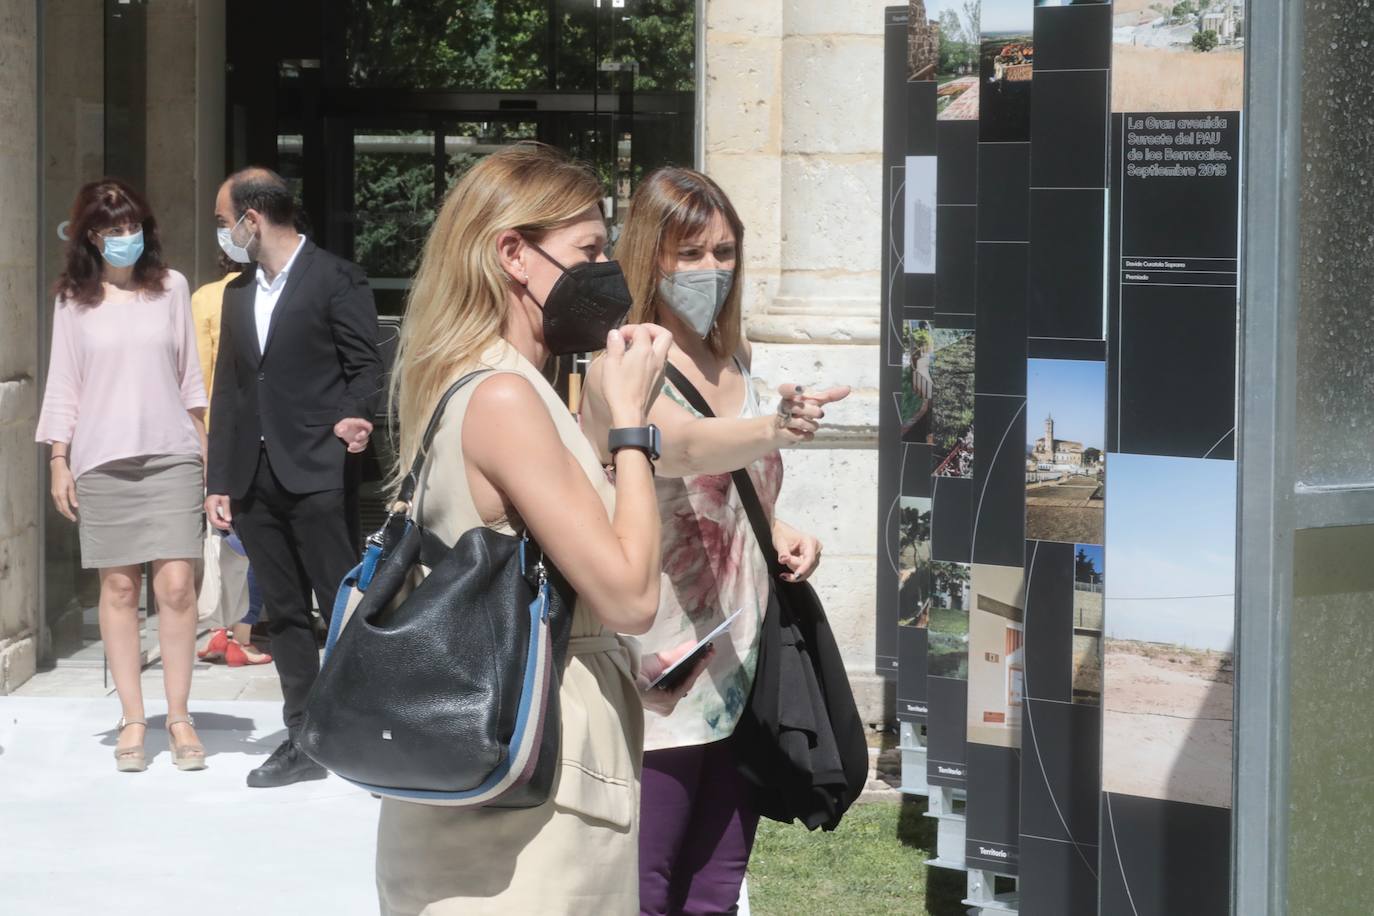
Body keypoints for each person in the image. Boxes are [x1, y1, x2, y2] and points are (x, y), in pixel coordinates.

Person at [374, 142, 706, 916]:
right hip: (531, 804)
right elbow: (629, 597)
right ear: (513, 255)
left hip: (495, 777)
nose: (602, 273)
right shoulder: (503, 397)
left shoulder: (480, 378)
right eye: (587, 250)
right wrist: (631, 423)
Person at [581, 167, 850, 915]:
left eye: (724, 252)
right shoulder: (618, 368)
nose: (711, 271)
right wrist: (774, 425)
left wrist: (785, 533)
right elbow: (685, 448)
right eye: (688, 253)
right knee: (648, 882)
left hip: (744, 654)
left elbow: (730, 492)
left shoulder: (739, 361)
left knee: (718, 882)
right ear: (647, 255)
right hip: (657, 660)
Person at [204, 167, 384, 788]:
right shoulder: (236, 293)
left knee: (342, 603)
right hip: (254, 477)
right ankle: (303, 736)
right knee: (281, 612)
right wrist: (218, 480)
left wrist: (356, 416)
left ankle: (360, 727)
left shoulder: (336, 278)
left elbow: (366, 365)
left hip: (316, 468)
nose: (222, 235)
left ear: (253, 220)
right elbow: (230, 389)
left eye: (225, 223)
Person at [35, 178, 210, 773]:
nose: (126, 239)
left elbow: (191, 380)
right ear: (90, 235)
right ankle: (133, 717)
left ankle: (179, 715)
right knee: (119, 589)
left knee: (178, 586)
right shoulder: (72, 302)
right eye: (113, 231)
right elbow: (64, 383)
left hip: (172, 454)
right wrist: (59, 459)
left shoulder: (171, 289)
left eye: (133, 228)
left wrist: (211, 462)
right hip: (102, 459)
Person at [191, 256, 272, 667]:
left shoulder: (203, 297)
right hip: (250, 431)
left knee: (222, 536)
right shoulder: (265, 296)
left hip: (205, 427)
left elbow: (192, 370)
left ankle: (218, 632)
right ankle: (242, 634)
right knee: (255, 538)